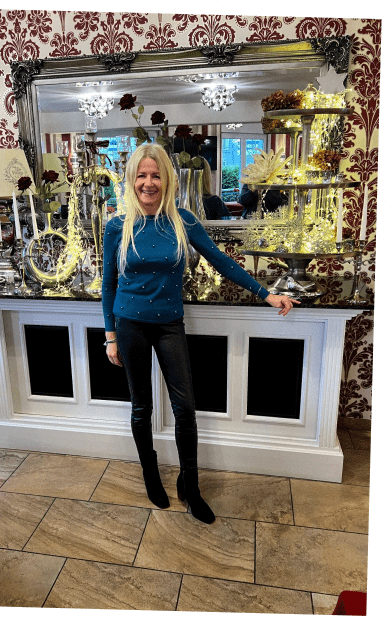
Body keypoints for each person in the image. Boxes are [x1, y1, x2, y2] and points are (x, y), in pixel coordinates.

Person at [102, 144, 299, 524]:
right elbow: (108, 284)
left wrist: (265, 293)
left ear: (167, 180)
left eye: (156, 175)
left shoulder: (183, 221)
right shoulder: (117, 226)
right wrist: (110, 336)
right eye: (141, 175)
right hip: (129, 324)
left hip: (169, 324)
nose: (148, 183)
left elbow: (221, 261)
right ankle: (150, 474)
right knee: (141, 407)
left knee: (185, 409)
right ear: (131, 180)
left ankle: (190, 486)